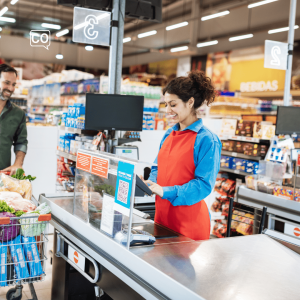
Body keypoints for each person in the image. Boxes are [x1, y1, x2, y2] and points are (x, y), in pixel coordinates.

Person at [145, 70, 221, 241]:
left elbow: (203, 185)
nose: (168, 110)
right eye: (166, 104)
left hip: (189, 225)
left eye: (173, 104)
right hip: (162, 218)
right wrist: (150, 183)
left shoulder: (207, 140)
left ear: (190, 102)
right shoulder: (168, 134)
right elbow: (158, 166)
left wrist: (165, 191)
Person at [0, 64, 28, 175]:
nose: (11, 88)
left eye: (13, 84)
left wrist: (18, 163)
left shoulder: (18, 114)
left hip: (2, 176)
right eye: (6, 83)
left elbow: (21, 142)